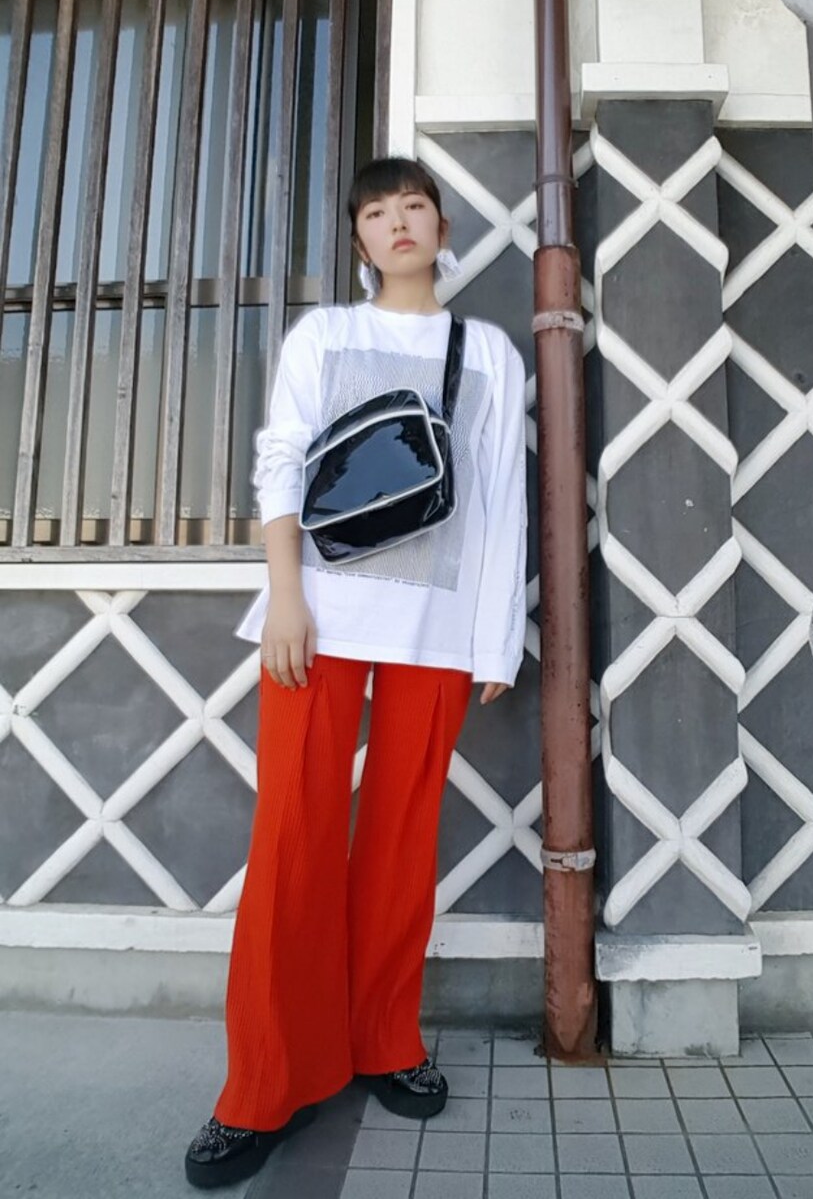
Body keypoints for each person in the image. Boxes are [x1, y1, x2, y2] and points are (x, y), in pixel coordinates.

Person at [184, 156, 527, 1190]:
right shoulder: (323, 334)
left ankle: (384, 1040)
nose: (397, 223)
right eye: (376, 212)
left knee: (399, 840)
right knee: (290, 838)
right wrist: (284, 594)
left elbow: (500, 497)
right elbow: (282, 459)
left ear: (441, 226)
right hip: (318, 620)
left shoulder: (488, 351)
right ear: (359, 240)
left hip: (436, 626)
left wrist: (495, 638)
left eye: (413, 206)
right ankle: (260, 1086)